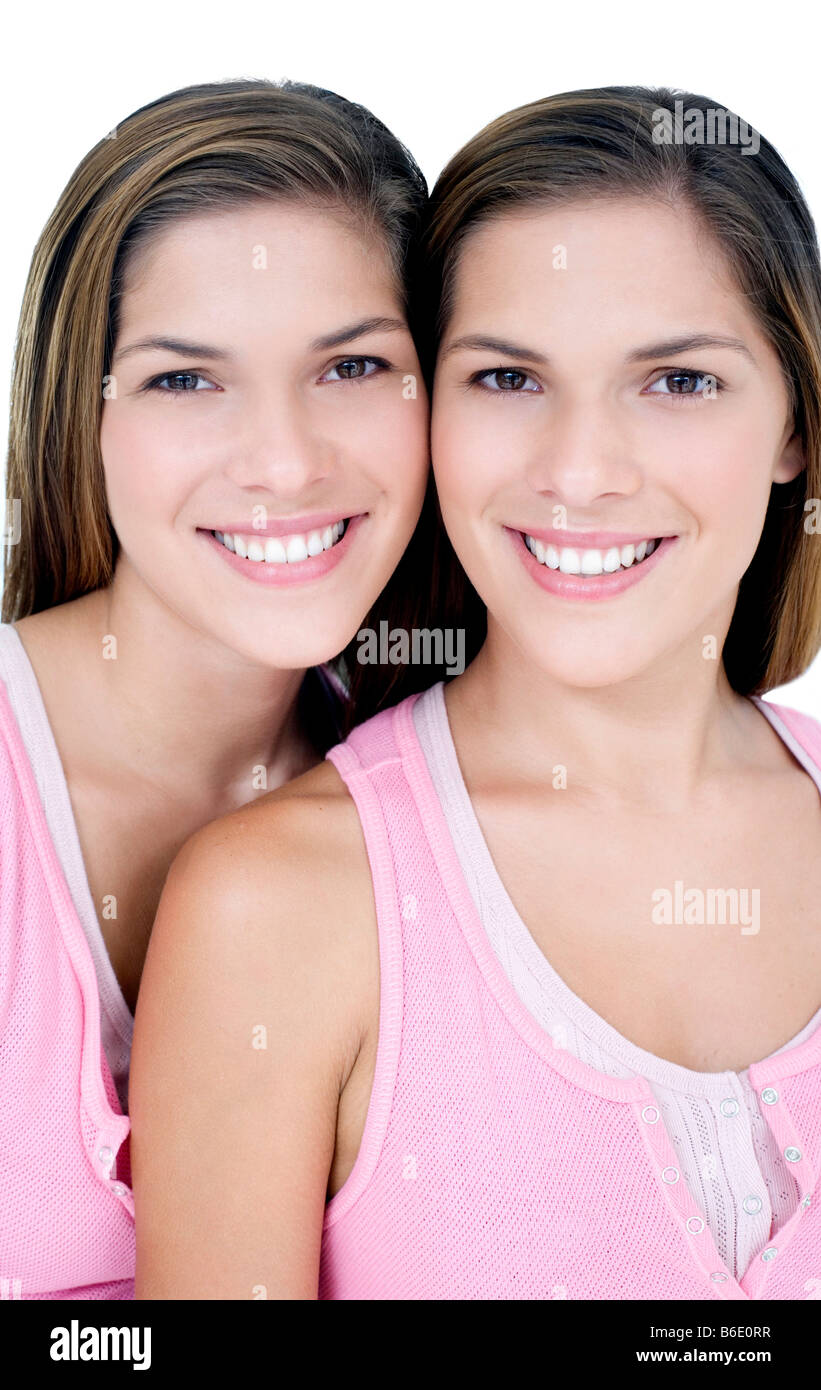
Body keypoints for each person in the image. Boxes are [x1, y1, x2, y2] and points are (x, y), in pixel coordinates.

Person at [131, 86, 821, 1300]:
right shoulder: (276, 905)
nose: (581, 471)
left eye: (677, 382)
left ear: (794, 428)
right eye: (507, 379)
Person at [0, 77, 435, 1300]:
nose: (285, 459)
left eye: (351, 364)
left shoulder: (436, 801)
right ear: (78, 416)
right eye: (185, 380)